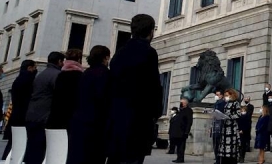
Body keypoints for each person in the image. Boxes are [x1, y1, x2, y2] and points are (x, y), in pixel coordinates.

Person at [107, 13, 162, 164]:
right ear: (151, 32)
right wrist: (156, 112)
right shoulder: (148, 52)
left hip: (117, 119)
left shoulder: (119, 53)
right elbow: (154, 86)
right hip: (138, 119)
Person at [67, 46, 110, 164]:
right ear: (106, 58)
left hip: (79, 123)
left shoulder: (85, 73)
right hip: (95, 125)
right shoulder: (105, 74)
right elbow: (104, 100)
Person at [24, 50, 65, 164]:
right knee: (40, 149)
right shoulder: (56, 75)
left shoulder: (40, 75)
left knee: (32, 147)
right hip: (44, 116)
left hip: (32, 114)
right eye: (62, 61)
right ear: (59, 61)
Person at [1, 59, 36, 160]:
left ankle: (6, 160)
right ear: (29, 68)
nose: (35, 70)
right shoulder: (29, 79)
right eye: (34, 68)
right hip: (23, 116)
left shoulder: (18, 79)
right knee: (19, 143)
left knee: (12, 143)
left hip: (15, 115)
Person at [49, 48, 85, 130]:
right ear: (79, 60)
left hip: (57, 116)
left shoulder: (60, 75)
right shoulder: (80, 76)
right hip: (72, 117)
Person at [219, 88, 242, 164]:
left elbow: (238, 114)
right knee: (224, 146)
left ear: (232, 95)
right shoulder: (226, 103)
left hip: (232, 128)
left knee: (232, 147)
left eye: (227, 95)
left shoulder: (236, 103)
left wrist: (230, 116)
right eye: (225, 95)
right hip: (225, 127)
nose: (225, 97)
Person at [174, 98, 193, 163]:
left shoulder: (188, 110)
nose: (180, 104)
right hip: (177, 131)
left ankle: (181, 158)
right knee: (178, 145)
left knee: (181, 145)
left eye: (181, 102)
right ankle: (178, 157)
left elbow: (189, 122)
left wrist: (187, 131)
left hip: (183, 131)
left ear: (185, 103)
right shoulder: (181, 110)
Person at [213, 90, 227, 164]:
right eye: (216, 94)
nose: (216, 96)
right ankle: (216, 158)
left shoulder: (223, 103)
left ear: (221, 96)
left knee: (219, 143)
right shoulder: (216, 103)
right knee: (215, 143)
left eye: (218, 95)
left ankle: (219, 160)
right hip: (215, 125)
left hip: (220, 124)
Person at [239, 95, 254, 162]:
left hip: (245, 132)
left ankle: (242, 157)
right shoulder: (240, 117)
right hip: (240, 132)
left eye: (243, 111)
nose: (242, 112)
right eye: (241, 111)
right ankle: (239, 157)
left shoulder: (247, 116)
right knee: (240, 146)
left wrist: (243, 130)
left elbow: (247, 124)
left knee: (243, 145)